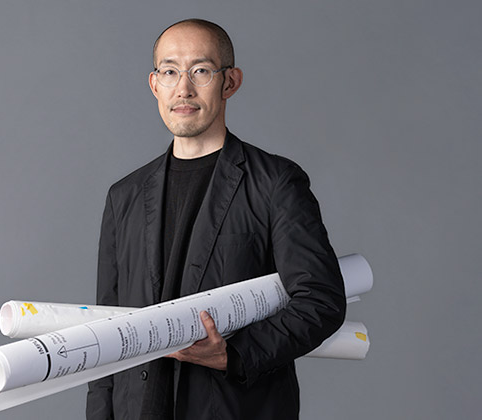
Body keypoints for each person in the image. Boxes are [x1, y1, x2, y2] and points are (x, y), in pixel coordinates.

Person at [86, 19, 346, 420]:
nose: (183, 88)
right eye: (170, 72)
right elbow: (107, 329)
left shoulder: (276, 183)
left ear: (230, 82)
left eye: (201, 71)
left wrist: (234, 354)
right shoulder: (124, 197)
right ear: (154, 84)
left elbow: (321, 301)